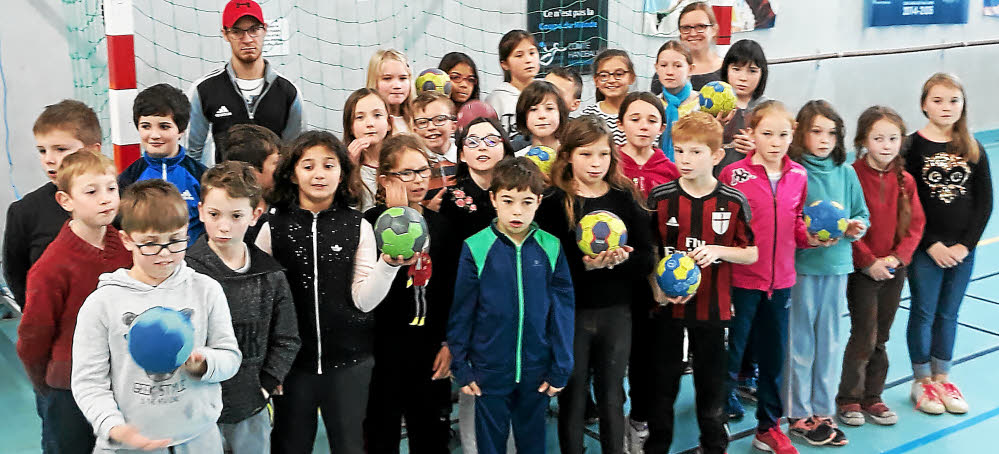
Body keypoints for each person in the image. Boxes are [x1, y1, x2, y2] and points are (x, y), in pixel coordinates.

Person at [255, 131, 409, 454]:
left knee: (350, 446)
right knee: (290, 445)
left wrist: (389, 265)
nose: (319, 174)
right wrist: (267, 363)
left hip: (350, 363)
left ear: (342, 173)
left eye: (328, 165)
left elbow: (363, 300)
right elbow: (261, 299)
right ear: (293, 175)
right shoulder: (273, 226)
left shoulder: (357, 225)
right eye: (308, 166)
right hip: (292, 367)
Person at [71, 179, 242, 453]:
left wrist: (203, 363)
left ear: (187, 231)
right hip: (129, 444)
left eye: (175, 241)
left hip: (199, 438)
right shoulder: (102, 303)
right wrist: (113, 427)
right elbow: (88, 382)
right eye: (150, 244)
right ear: (127, 239)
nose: (165, 254)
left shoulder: (206, 290)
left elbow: (230, 357)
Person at [534, 115, 652, 454]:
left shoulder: (624, 197)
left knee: (613, 394)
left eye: (602, 154)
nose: (595, 163)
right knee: (572, 394)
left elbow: (646, 257)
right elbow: (547, 266)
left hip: (617, 313)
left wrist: (621, 261)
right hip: (572, 316)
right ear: (569, 155)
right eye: (586, 154)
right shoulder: (556, 203)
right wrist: (584, 265)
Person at [646, 111, 757, 454]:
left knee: (711, 387)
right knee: (662, 385)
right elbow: (650, 254)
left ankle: (714, 445)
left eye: (696, 152)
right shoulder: (661, 198)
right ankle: (657, 445)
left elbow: (750, 253)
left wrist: (718, 250)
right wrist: (658, 291)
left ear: (716, 155)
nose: (686, 159)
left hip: (713, 310)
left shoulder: (733, 201)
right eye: (680, 151)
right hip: (667, 311)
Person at [448, 157, 574, 454]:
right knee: (490, 444)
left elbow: (563, 312)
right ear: (493, 199)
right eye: (508, 200)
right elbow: (462, 312)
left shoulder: (551, 246)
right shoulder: (475, 247)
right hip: (489, 370)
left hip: (537, 370)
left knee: (533, 443)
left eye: (526, 202)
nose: (517, 211)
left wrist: (561, 365)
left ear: (539, 202)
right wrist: (460, 365)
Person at [16, 151, 131, 454]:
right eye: (91, 192)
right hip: (69, 389)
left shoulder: (125, 246)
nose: (105, 199)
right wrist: (49, 384)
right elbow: (33, 336)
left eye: (111, 188)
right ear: (66, 201)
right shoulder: (52, 266)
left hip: (121, 378)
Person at [185, 161, 301, 454]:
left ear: (255, 215)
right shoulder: (184, 272)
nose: (224, 226)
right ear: (200, 211)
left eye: (236, 215)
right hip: (194, 412)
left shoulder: (270, 275)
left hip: (250, 409)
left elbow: (287, 337)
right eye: (214, 214)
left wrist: (266, 383)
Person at [719, 100, 809, 454]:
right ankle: (717, 417)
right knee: (732, 353)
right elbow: (723, 229)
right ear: (751, 134)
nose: (775, 142)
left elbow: (797, 222)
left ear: (792, 136)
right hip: (741, 281)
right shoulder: (734, 175)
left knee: (773, 358)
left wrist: (813, 236)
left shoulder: (799, 175)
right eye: (767, 133)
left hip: (781, 282)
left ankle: (768, 427)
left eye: (783, 134)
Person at [364, 134, 460, 453]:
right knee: (380, 436)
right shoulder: (367, 225)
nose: (417, 180)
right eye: (406, 173)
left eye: (422, 171)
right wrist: (397, 216)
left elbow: (450, 292)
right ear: (385, 179)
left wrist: (449, 343)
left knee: (431, 437)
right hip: (381, 351)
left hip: (429, 350)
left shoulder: (442, 227)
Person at [905, 73, 992, 415]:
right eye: (938, 100)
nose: (946, 107)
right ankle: (922, 381)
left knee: (949, 313)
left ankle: (943, 378)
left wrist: (965, 246)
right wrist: (930, 245)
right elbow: (908, 204)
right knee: (924, 311)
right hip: (927, 251)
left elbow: (984, 203)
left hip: (961, 252)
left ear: (963, 105)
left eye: (953, 100)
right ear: (924, 104)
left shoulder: (972, 146)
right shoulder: (913, 147)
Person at [786, 100, 870, 448]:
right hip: (803, 268)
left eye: (831, 133)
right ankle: (797, 411)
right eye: (816, 131)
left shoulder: (846, 173)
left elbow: (861, 214)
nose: (824, 139)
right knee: (800, 341)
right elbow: (788, 219)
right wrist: (805, 236)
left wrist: (855, 227)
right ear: (801, 133)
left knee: (830, 342)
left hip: (836, 268)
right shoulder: (794, 171)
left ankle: (823, 408)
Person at [837, 106, 925, 427]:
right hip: (863, 271)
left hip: (893, 270)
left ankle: (873, 396)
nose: (886, 145)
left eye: (893, 138)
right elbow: (847, 225)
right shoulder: (851, 175)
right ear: (864, 140)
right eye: (878, 138)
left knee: (881, 336)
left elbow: (915, 226)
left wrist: (897, 258)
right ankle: (849, 398)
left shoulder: (906, 181)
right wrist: (868, 261)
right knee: (863, 333)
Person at [436, 116, 516, 453]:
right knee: (474, 391)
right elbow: (442, 274)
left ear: (505, 148)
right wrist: (447, 335)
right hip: (471, 315)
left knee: (514, 391)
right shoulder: (451, 202)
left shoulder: (520, 196)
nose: (482, 147)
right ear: (462, 154)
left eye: (491, 140)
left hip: (515, 313)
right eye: (473, 141)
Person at [613, 92, 679, 450]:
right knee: (611, 355)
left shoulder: (669, 169)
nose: (643, 125)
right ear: (621, 124)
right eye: (635, 118)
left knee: (645, 355)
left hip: (651, 280)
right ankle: (610, 414)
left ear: (662, 127)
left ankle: (638, 420)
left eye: (651, 119)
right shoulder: (610, 166)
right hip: (612, 275)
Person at [3, 100, 101, 311]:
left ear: (93, 151)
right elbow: (16, 273)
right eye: (42, 150)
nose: (49, 159)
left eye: (60, 149)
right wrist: (38, 315)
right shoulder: (24, 212)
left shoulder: (117, 204)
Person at [186, 0, 305, 166]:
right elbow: (193, 154)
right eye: (237, 31)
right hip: (226, 189)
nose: (247, 39)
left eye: (254, 30)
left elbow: (294, 153)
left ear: (265, 30)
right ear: (225, 34)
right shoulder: (204, 90)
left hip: (273, 191)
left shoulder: (288, 92)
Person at [119, 83, 209, 244]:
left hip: (193, 263)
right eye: (146, 126)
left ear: (181, 130)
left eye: (164, 127)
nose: (154, 135)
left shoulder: (201, 176)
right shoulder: (128, 179)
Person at [221, 124, 282, 244]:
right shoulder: (231, 223)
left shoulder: (285, 205)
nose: (282, 168)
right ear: (252, 172)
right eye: (276, 163)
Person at [716, 39, 770, 176]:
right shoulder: (711, 104)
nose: (743, 78)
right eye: (736, 69)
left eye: (752, 71)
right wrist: (714, 129)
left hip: (754, 183)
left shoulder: (769, 110)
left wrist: (759, 151)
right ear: (726, 70)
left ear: (762, 73)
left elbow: (782, 154)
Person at [650, 2, 724, 93]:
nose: (693, 33)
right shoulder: (666, 72)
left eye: (700, 26)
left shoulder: (729, 69)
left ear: (714, 29)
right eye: (686, 28)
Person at [343, 88, 394, 211]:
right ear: (350, 127)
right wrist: (350, 170)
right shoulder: (340, 165)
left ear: (389, 123)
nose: (370, 123)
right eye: (360, 117)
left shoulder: (401, 160)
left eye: (377, 115)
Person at [486, 30, 540, 137]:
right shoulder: (496, 99)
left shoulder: (547, 92)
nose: (528, 60)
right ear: (504, 64)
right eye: (519, 55)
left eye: (532, 53)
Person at [655, 40, 702, 162]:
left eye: (677, 66)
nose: (669, 72)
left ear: (691, 69)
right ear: (656, 68)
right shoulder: (652, 105)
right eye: (663, 65)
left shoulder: (702, 104)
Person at [411, 91, 459, 203]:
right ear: (414, 129)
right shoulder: (414, 165)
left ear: (453, 126)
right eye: (422, 122)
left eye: (440, 119)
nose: (431, 127)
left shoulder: (465, 158)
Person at [581, 49, 636, 147]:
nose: (611, 80)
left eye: (619, 74)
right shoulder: (588, 116)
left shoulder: (643, 110)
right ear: (596, 80)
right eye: (604, 75)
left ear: (632, 77)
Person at [514, 81, 569, 157]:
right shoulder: (516, 160)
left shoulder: (573, 158)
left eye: (549, 108)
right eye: (533, 109)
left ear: (561, 113)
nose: (542, 115)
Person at [367, 49, 416, 133]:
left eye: (403, 78)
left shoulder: (419, 119)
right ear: (374, 81)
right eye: (387, 78)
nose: (397, 86)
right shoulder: (368, 124)